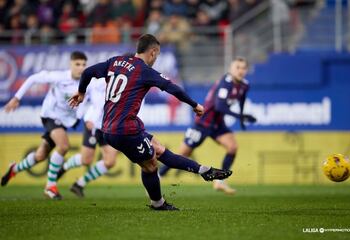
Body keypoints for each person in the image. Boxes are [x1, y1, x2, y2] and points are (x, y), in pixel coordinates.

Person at [68, 34, 232, 210]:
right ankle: (158, 203)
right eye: (158, 54)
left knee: (158, 148)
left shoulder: (115, 61)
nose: (156, 58)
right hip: (124, 130)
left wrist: (81, 92)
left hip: (108, 127)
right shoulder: (144, 71)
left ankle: (203, 171)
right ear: (153, 52)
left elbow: (88, 72)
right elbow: (172, 87)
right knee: (150, 165)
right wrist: (194, 105)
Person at [159, 57, 256, 194]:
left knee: (232, 147)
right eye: (237, 67)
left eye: (243, 68)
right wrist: (241, 117)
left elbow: (241, 99)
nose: (240, 71)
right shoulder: (225, 83)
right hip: (203, 122)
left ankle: (220, 181)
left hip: (218, 124)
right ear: (230, 69)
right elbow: (220, 106)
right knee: (183, 153)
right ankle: (159, 175)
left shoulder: (244, 85)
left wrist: (241, 120)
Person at [1, 51, 88, 200]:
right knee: (64, 145)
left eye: (84, 64)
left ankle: (14, 169)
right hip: (50, 115)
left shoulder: (86, 81)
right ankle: (50, 186)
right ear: (70, 64)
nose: (81, 68)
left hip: (65, 120)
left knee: (40, 155)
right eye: (77, 64)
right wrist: (16, 98)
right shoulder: (59, 77)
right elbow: (33, 78)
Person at [57, 78, 118, 198]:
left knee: (110, 161)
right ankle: (64, 167)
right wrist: (82, 115)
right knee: (86, 160)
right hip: (93, 123)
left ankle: (79, 184)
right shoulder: (97, 83)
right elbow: (85, 95)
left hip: (108, 126)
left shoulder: (124, 84)